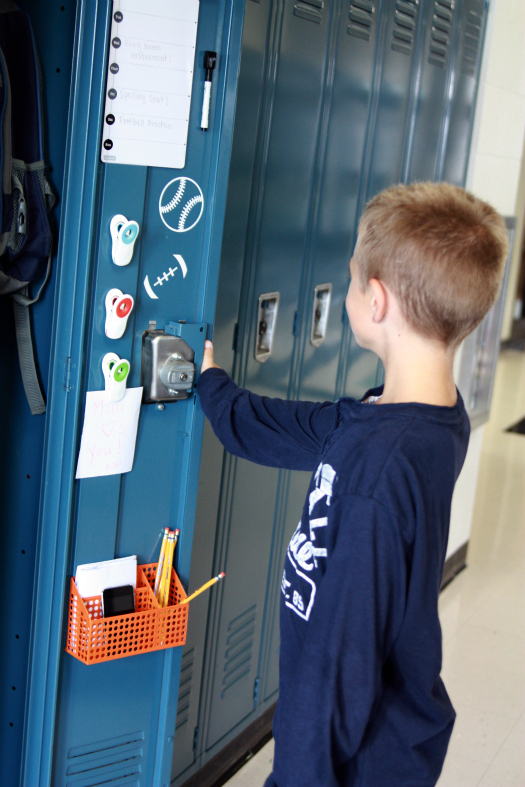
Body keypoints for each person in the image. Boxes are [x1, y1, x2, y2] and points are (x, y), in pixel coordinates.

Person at [196, 182, 509, 786]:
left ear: (378, 301)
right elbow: (293, 430)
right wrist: (212, 386)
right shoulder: (421, 415)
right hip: (372, 737)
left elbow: (340, 666)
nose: (343, 295)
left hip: (356, 763)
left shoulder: (378, 475)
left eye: (349, 282)